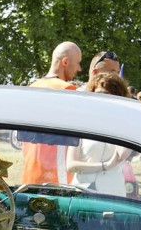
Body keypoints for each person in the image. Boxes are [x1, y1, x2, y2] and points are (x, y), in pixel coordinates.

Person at [21, 41, 80, 185]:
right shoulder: (67, 90)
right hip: (55, 174)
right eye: (78, 63)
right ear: (65, 62)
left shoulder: (31, 88)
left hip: (30, 169)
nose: (79, 68)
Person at [66, 72, 133, 195]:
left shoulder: (124, 126)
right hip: (81, 191)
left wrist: (116, 119)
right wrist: (104, 165)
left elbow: (122, 153)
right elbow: (71, 165)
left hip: (112, 194)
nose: (102, 99)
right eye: (98, 94)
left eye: (108, 95)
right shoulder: (81, 124)